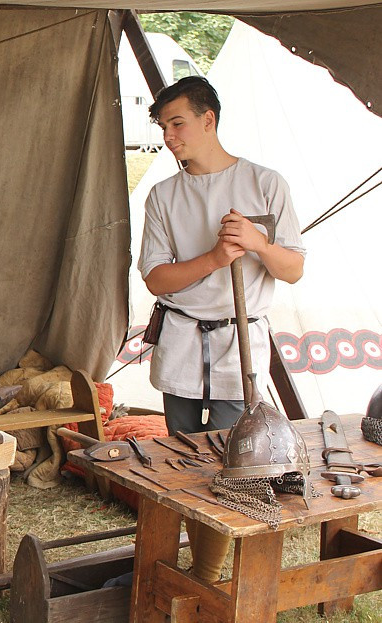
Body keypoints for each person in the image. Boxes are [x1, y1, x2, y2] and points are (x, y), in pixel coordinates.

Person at [138, 76, 305, 583]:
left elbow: (293, 268)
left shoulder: (264, 183)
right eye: (164, 126)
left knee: (239, 466)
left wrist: (257, 242)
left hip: (240, 347)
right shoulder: (164, 197)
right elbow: (156, 277)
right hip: (185, 342)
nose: (170, 136)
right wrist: (213, 258)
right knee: (184, 463)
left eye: (178, 123)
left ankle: (210, 573)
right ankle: (192, 567)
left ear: (208, 120)